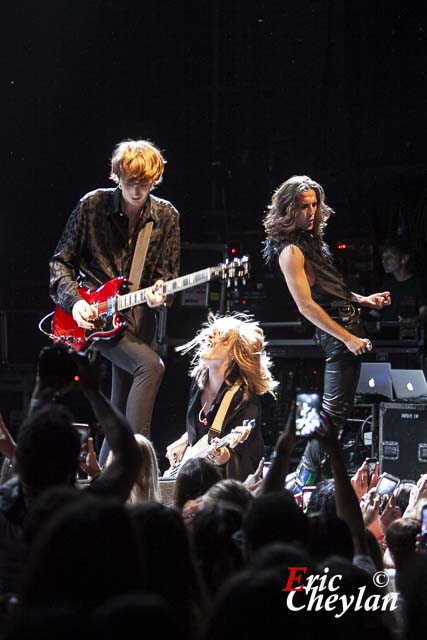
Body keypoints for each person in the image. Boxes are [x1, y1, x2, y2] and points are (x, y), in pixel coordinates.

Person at [49, 139, 181, 464]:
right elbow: (60, 263)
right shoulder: (92, 206)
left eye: (145, 183)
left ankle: (105, 484)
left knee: (121, 406)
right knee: (151, 367)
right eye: (130, 182)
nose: (137, 190)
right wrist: (76, 302)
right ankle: (131, 464)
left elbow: (166, 276)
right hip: (95, 315)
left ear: (155, 179)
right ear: (117, 176)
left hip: (138, 319)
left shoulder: (166, 216)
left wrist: (159, 296)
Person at [263, 175, 391, 490]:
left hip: (345, 325)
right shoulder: (290, 251)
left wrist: (362, 299)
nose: (310, 212)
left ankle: (305, 476)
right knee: (332, 414)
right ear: (287, 209)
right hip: (336, 334)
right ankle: (301, 478)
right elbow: (306, 306)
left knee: (335, 412)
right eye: (303, 206)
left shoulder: (311, 242)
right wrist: (347, 338)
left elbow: (328, 288)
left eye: (314, 205)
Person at [165, 313, 277, 481]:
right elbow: (204, 430)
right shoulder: (199, 382)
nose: (210, 335)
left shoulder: (244, 398)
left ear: (233, 353)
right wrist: (185, 439)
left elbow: (242, 454)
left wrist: (223, 456)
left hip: (226, 486)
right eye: (211, 332)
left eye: (221, 336)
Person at [372, 237, 427, 325]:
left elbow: (424, 313)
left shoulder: (419, 284)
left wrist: (413, 320)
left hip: (408, 336)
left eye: (389, 257)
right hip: (386, 336)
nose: (384, 261)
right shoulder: (387, 285)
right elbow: (374, 313)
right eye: (383, 257)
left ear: (404, 259)